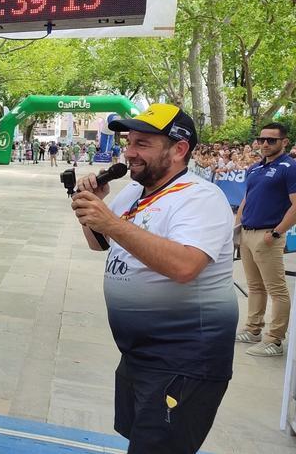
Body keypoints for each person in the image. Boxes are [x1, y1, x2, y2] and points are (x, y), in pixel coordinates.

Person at [72, 104, 236, 454]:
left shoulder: (200, 198)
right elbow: (100, 244)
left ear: (179, 149)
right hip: (139, 357)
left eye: (143, 144)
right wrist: (90, 210)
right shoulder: (133, 192)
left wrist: (112, 222)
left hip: (184, 362)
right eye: (129, 142)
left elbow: (185, 266)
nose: (129, 152)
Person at [234, 122, 296, 357]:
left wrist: (277, 233)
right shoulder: (254, 168)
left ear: (284, 142)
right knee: (255, 286)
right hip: (248, 233)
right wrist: (237, 229)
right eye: (262, 140)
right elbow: (246, 200)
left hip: (269, 234)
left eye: (271, 140)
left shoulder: (289, 168)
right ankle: (253, 329)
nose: (265, 144)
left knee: (277, 289)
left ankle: (275, 340)